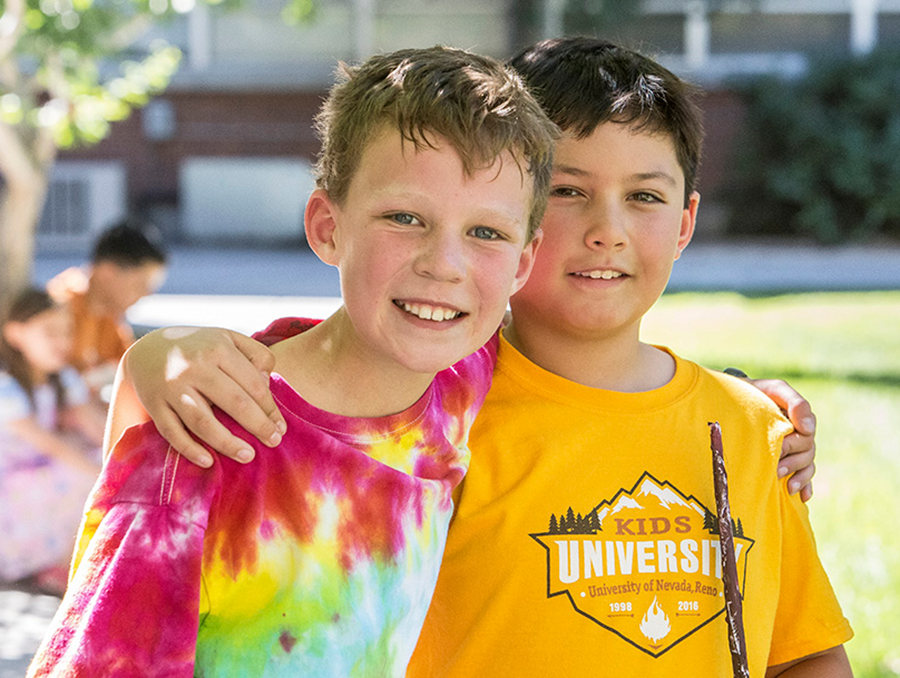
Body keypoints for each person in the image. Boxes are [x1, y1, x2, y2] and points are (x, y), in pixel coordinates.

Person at [108, 39, 851, 676]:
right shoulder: (429, 410)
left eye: (645, 198)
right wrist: (156, 355)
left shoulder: (755, 432)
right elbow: (311, 382)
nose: (607, 230)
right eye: (566, 190)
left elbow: (804, 648)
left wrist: (748, 403)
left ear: (687, 221)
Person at [27, 45, 556, 677]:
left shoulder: (463, 377)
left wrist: (148, 352)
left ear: (522, 264)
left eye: (487, 233)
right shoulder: (210, 440)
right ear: (328, 227)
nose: (444, 264)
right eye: (404, 217)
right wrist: (148, 358)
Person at [0, 288, 104, 594]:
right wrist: (103, 476)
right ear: (16, 334)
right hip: (11, 488)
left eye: (66, 332)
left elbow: (97, 426)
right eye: (49, 332)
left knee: (96, 459)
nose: (61, 342)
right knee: (84, 477)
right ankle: (57, 563)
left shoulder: (62, 379)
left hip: (39, 479)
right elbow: (51, 445)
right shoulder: (7, 387)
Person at [47, 218, 168, 401]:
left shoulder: (110, 315)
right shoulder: (59, 308)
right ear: (107, 271)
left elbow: (131, 366)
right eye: (140, 285)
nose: (145, 294)